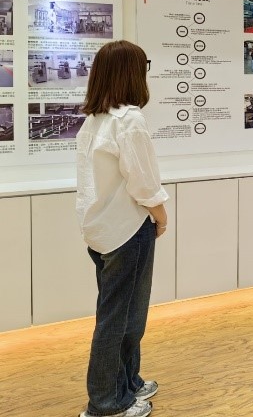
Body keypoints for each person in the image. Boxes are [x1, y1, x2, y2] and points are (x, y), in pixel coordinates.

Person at [75, 40, 168, 417]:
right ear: (132, 73)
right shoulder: (129, 119)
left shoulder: (94, 120)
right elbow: (143, 183)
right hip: (128, 230)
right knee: (122, 318)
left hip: (101, 230)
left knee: (121, 314)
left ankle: (127, 382)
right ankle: (105, 403)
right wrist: (162, 216)